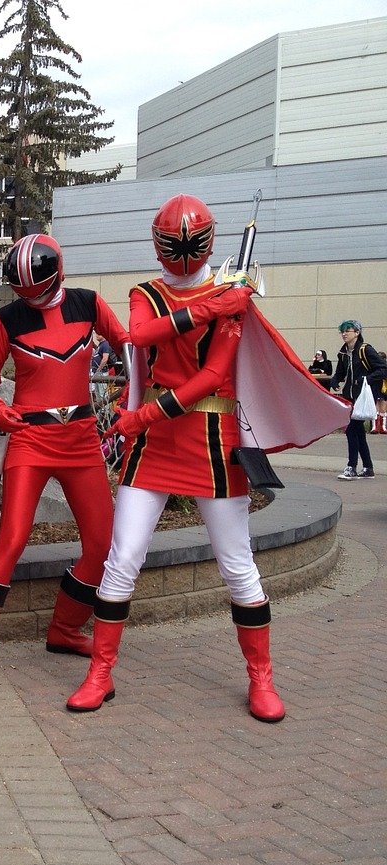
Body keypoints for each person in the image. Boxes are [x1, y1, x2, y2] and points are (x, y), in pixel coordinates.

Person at [67, 194, 348, 723]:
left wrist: (144, 416)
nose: (184, 252)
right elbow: (138, 334)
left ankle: (261, 679)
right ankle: (99, 673)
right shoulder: (148, 293)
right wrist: (205, 308)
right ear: (159, 245)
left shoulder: (231, 299)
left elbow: (212, 378)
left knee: (238, 565)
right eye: (175, 244)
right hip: (153, 447)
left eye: (191, 244)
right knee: (122, 558)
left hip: (211, 441)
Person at [0, 234, 130, 685]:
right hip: (31, 439)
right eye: (24, 294)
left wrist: (137, 393)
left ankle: (66, 629)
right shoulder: (6, 320)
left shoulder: (88, 303)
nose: (33, 301)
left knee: (103, 543)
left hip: (81, 439)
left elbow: (131, 346)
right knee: (11, 540)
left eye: (39, 292)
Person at [329, 320, 387, 476]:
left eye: (348, 330)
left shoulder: (365, 350)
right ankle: (368, 467)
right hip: (350, 396)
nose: (344, 333)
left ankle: (351, 467)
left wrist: (366, 378)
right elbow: (341, 372)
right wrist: (335, 380)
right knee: (358, 432)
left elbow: (383, 369)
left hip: (364, 397)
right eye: (342, 331)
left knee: (351, 430)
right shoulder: (343, 353)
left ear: (357, 332)